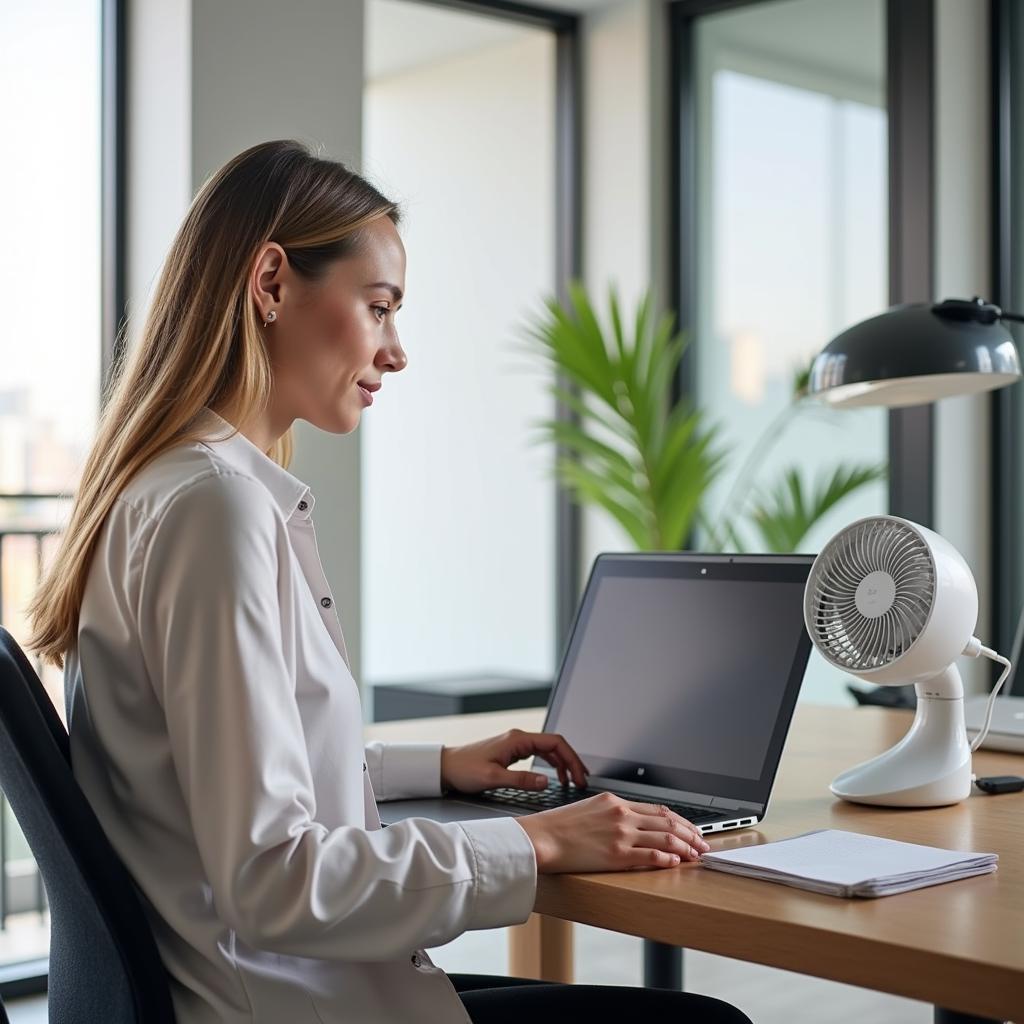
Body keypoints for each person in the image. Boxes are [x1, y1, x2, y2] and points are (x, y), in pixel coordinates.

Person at [27, 140, 752, 1024]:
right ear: (271, 284)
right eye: (379, 307)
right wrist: (540, 839)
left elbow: (228, 769)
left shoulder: (174, 488)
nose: (396, 351)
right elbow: (274, 881)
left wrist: (438, 766)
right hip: (285, 999)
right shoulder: (216, 509)